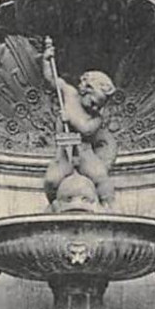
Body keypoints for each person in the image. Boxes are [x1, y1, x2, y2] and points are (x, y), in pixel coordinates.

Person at [42, 36, 118, 210]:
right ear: (86, 89)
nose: (95, 107)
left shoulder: (97, 117)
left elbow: (86, 129)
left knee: (100, 177)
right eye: (93, 101)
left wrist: (69, 118)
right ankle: (52, 206)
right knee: (51, 180)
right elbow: (52, 80)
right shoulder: (68, 94)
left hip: (84, 153)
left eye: (99, 105)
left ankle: (108, 206)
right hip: (64, 151)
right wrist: (47, 60)